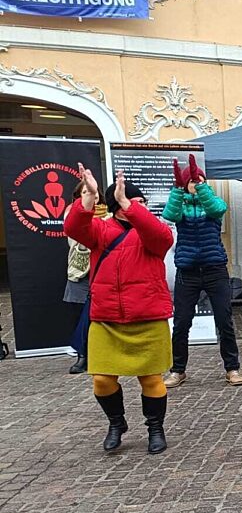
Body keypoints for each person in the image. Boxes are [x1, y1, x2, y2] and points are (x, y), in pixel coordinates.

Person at [65, 166, 174, 454]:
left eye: (140, 204)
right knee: (101, 379)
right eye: (129, 202)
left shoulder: (150, 230)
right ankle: (117, 422)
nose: (139, 208)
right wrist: (89, 196)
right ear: (114, 207)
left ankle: (155, 428)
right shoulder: (100, 230)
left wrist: (130, 205)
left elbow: (163, 238)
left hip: (148, 315)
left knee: (151, 379)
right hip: (107, 318)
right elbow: (74, 228)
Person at [161, 154, 242, 389]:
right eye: (193, 181)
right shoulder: (180, 206)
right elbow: (169, 215)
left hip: (215, 268)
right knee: (181, 323)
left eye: (201, 180)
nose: (196, 184)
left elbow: (218, 209)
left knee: (224, 320)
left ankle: (232, 368)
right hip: (187, 271)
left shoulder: (212, 203)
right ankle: (178, 370)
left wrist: (202, 187)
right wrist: (179, 189)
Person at [63, 181, 93, 375]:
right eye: (86, 192)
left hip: (102, 271)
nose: (91, 195)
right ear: (78, 196)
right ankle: (83, 355)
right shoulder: (71, 215)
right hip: (80, 271)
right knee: (79, 315)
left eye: (94, 192)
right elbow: (77, 235)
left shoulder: (109, 216)